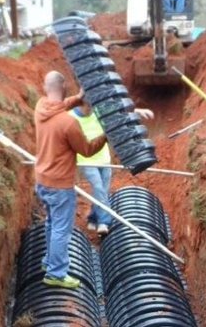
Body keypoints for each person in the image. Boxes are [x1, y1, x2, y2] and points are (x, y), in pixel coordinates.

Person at [34, 71, 107, 289]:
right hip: (60, 185)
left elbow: (60, 104)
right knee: (61, 229)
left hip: (42, 181)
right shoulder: (68, 123)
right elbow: (87, 149)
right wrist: (106, 135)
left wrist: (78, 97)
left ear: (46, 88)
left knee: (51, 223)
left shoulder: (40, 108)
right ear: (64, 86)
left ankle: (49, 262)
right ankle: (56, 273)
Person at [70, 100, 154, 235]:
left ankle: (92, 218)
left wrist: (138, 111)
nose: (91, 107)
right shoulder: (71, 117)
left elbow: (118, 111)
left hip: (105, 159)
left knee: (102, 191)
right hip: (86, 161)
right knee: (98, 188)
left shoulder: (98, 111)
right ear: (81, 102)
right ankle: (104, 222)